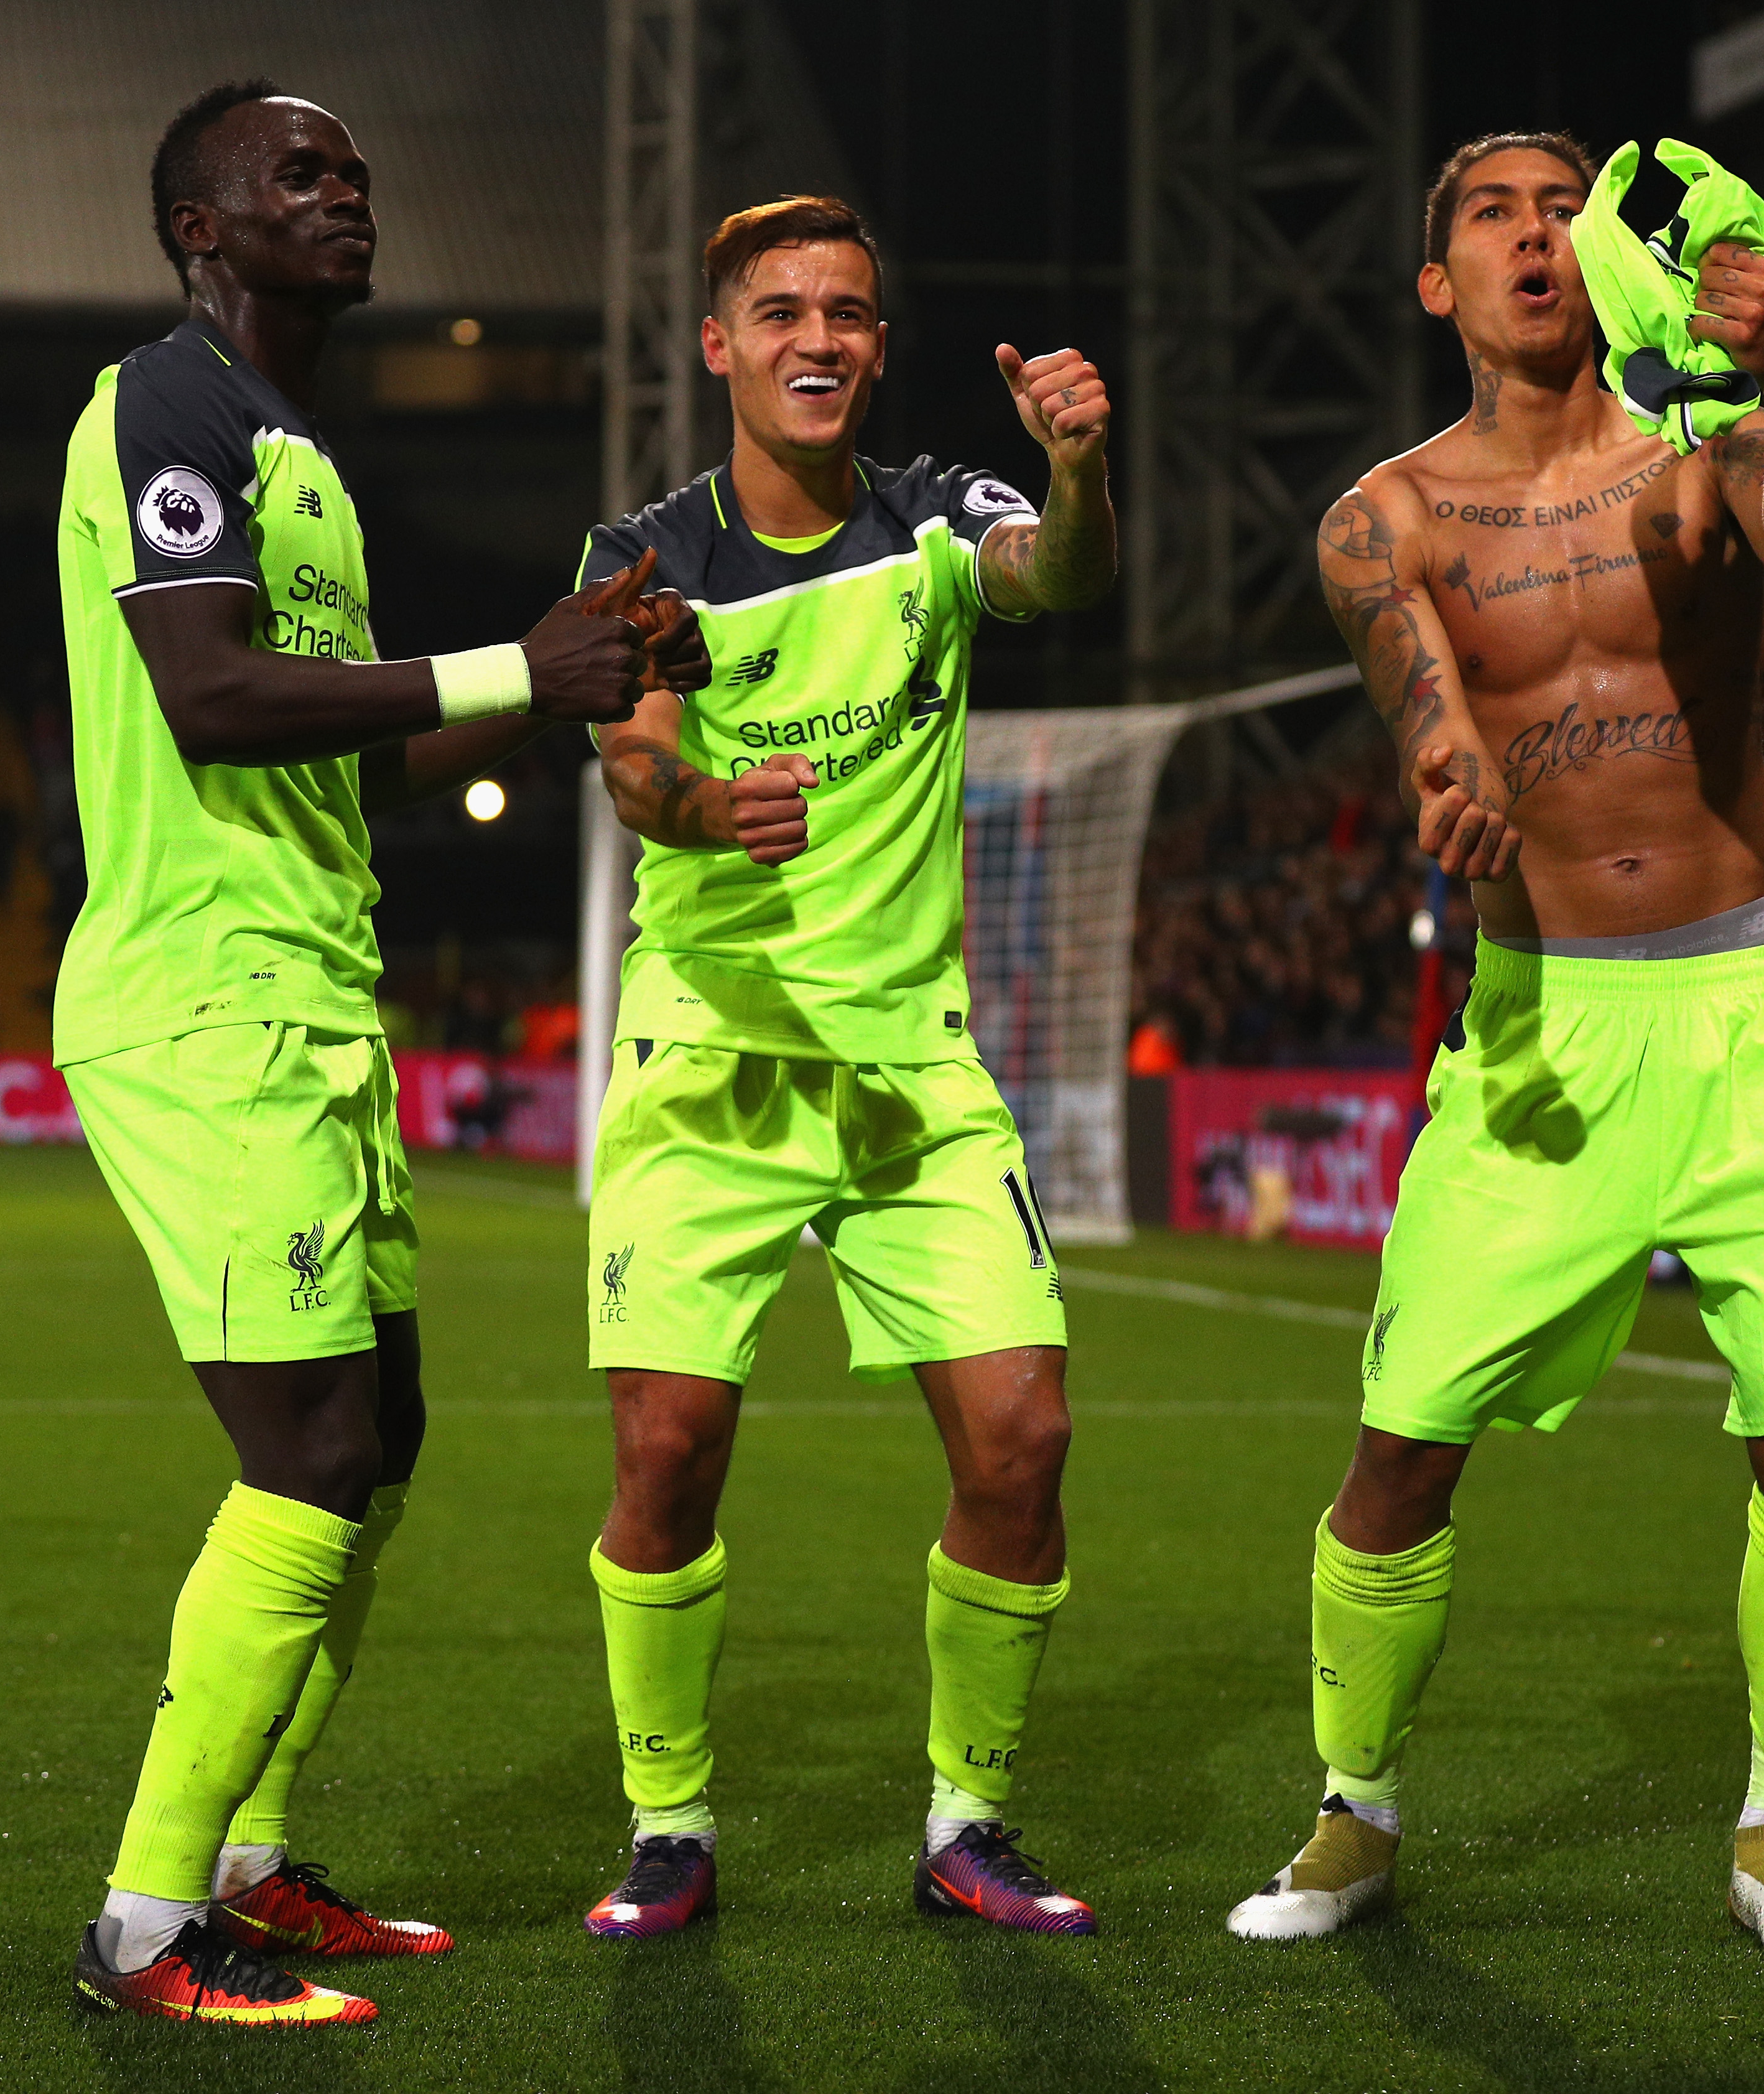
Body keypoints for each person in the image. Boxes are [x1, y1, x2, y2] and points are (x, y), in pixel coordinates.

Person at [55, 81, 700, 2025]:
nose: (343, 198)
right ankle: (148, 1928)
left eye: (352, 174)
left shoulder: (294, 452)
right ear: (199, 227)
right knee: (312, 1453)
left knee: (381, 1447)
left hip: (317, 1000)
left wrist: (546, 663)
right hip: (203, 997)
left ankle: (248, 1868)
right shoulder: (161, 404)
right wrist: (524, 670)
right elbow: (210, 692)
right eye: (296, 176)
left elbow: (348, 743)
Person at [1223, 131, 1764, 1957]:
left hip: (1754, 1005)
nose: (1532, 232)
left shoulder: (1710, 445)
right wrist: (1447, 785)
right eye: (1490, 216)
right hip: (1542, 1034)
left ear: (1602, 252)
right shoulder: (1386, 514)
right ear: (1437, 284)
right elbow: (1420, 701)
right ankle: (1353, 1811)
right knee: (1401, 1448)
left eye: (1556, 205)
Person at [573, 196, 1116, 1939]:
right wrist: (695, 806)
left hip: (909, 1066)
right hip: (712, 1054)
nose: (822, 336)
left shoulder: (948, 512)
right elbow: (632, 760)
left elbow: (1061, 578)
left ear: (880, 346)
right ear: (721, 344)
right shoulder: (638, 556)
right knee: (668, 1453)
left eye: (853, 312)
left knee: (1023, 1435)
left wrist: (1081, 468)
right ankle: (669, 1821)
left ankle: (971, 1817)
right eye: (785, 310)